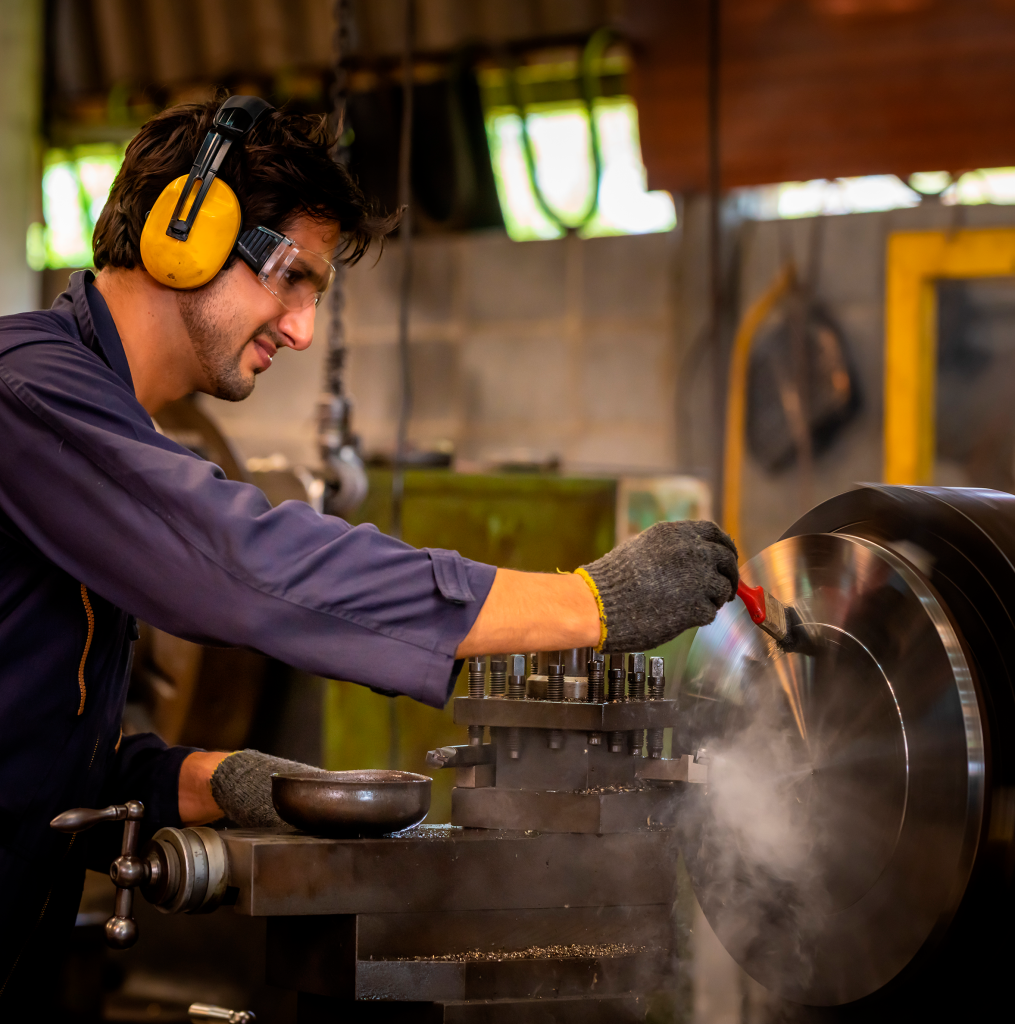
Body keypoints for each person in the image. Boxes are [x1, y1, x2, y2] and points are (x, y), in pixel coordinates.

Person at [0, 96, 739, 1007]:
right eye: (291, 278)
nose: (301, 329)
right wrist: (588, 603)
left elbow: (31, 747)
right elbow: (240, 563)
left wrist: (207, 781)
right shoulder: (22, 392)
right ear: (184, 231)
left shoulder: (86, 421)